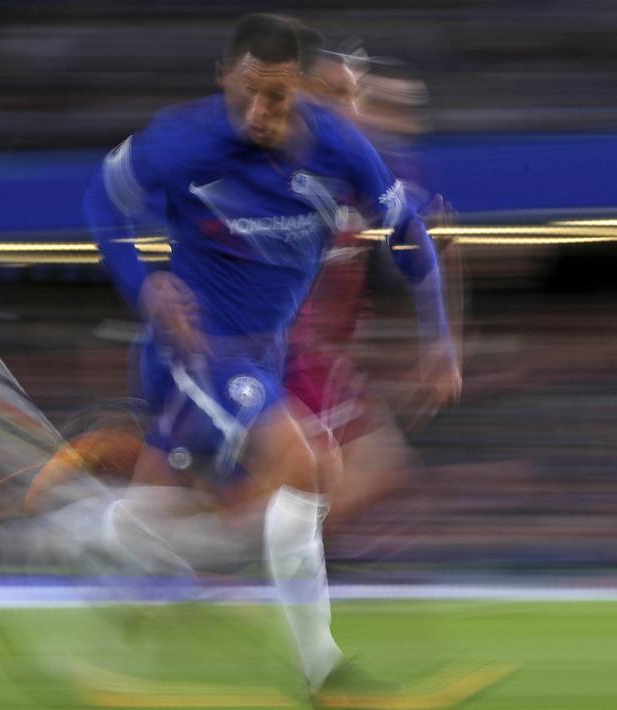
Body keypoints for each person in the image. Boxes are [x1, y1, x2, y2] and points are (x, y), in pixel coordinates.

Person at [81, 13, 460, 698]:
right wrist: (146, 287)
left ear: (302, 91)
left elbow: (406, 232)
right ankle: (322, 672)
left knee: (242, 499)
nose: (258, 111)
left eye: (277, 96)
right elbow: (101, 201)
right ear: (223, 77)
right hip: (193, 350)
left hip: (264, 355)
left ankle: (118, 544)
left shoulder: (338, 148)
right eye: (246, 91)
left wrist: (439, 337)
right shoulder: (182, 139)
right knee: (306, 466)